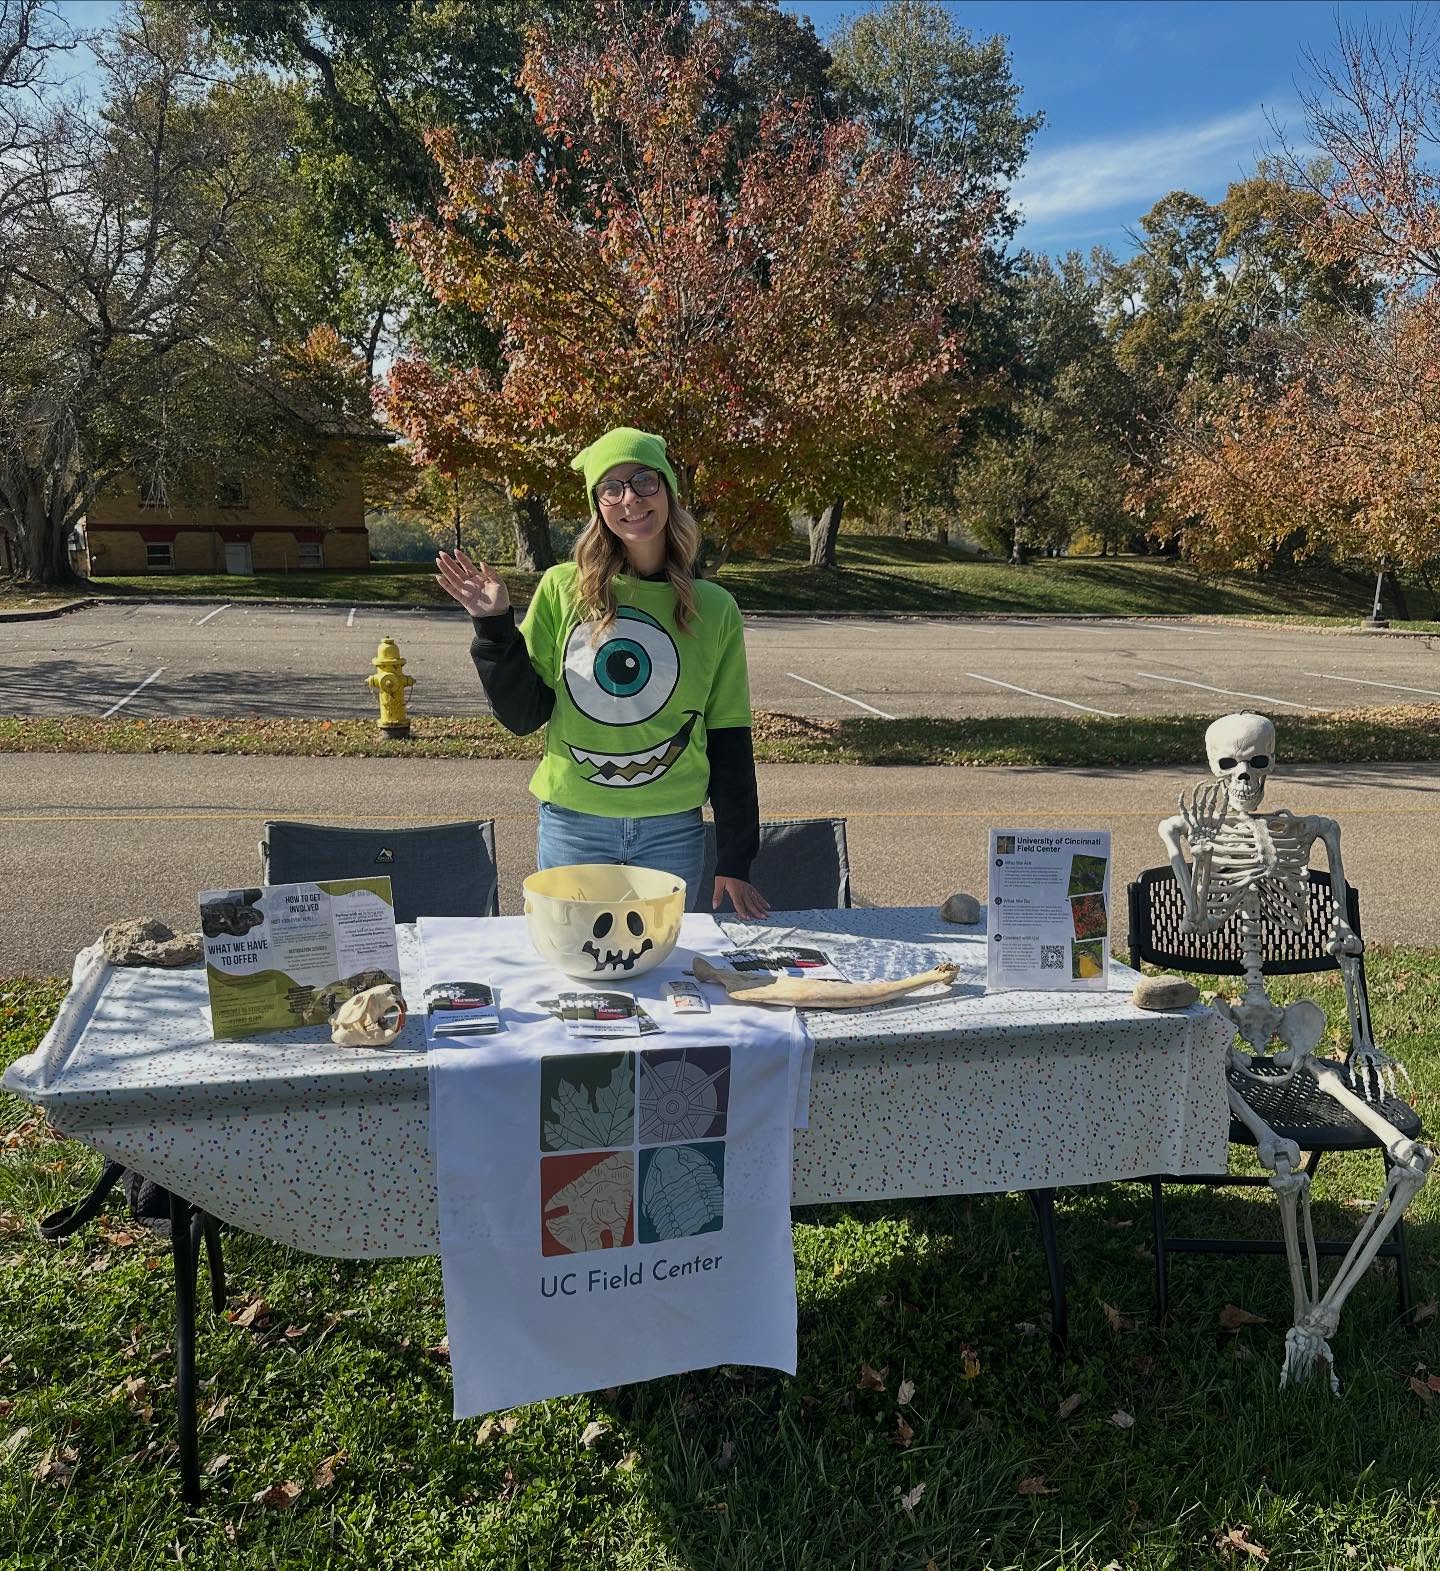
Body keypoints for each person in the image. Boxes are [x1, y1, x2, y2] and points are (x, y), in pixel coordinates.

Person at [437, 426, 769, 921]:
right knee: (573, 967)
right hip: (574, 824)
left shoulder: (714, 608)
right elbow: (524, 714)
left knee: (657, 966)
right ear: (598, 506)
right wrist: (493, 628)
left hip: (672, 828)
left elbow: (729, 735)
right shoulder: (563, 589)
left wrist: (737, 856)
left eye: (643, 481)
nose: (630, 499)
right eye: (610, 488)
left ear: (670, 490)